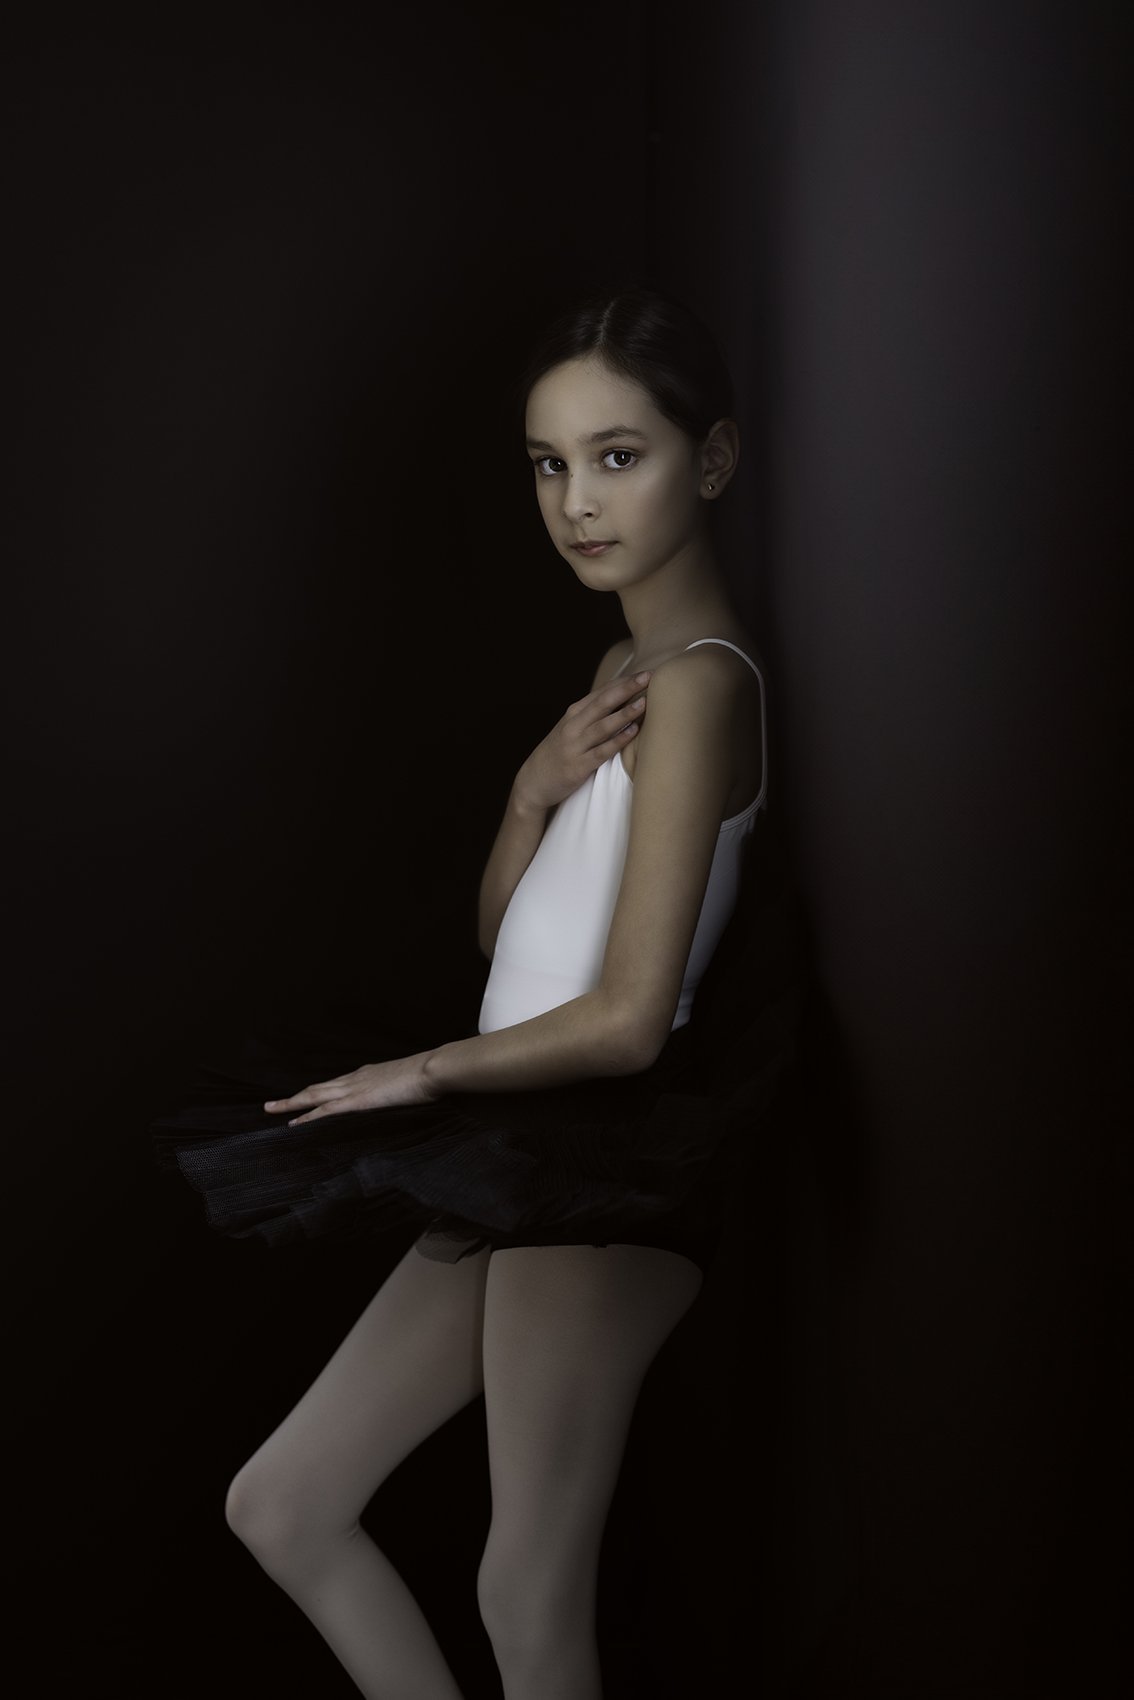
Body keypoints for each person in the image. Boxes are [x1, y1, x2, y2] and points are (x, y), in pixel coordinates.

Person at [155, 285, 792, 1700]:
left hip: (598, 1160)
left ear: (714, 458)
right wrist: (529, 794)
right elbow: (514, 945)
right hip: (521, 1148)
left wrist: (423, 1072)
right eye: (548, 464)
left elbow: (627, 1017)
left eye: (616, 456)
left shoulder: (699, 684)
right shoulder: (624, 669)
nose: (575, 501)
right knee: (284, 1504)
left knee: (523, 1587)